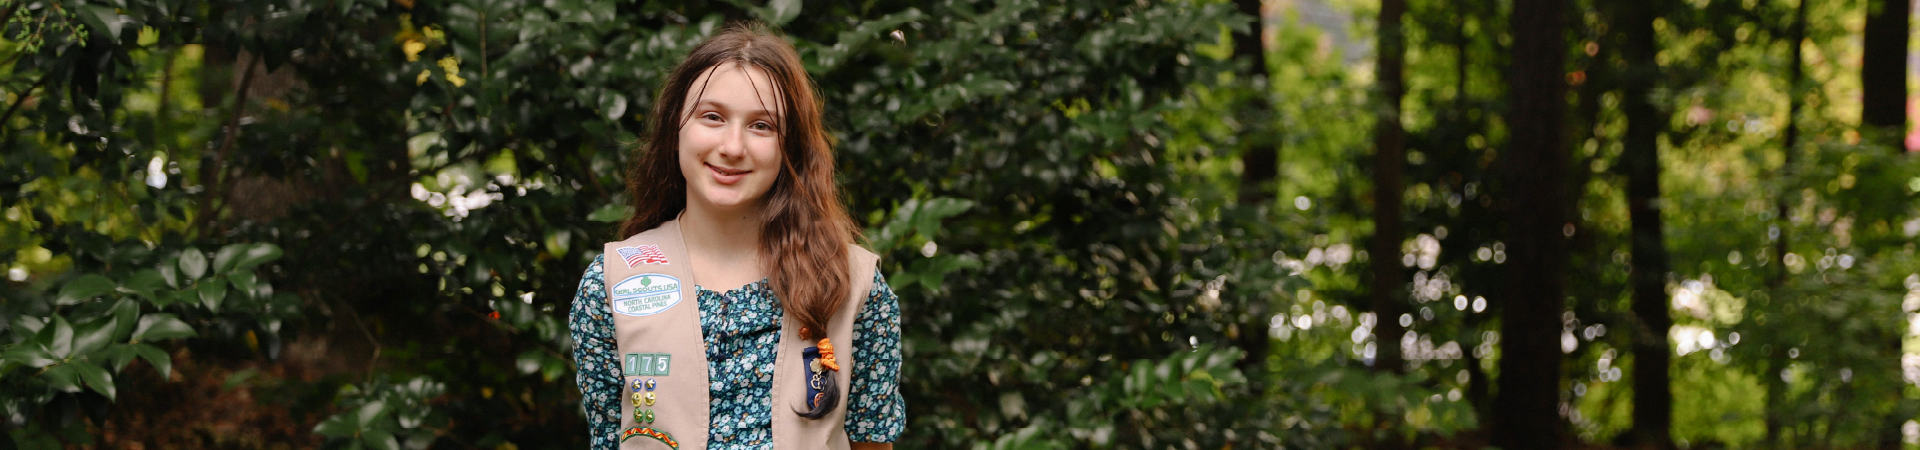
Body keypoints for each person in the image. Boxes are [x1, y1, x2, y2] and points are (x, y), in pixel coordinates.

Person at [568, 23, 903, 450]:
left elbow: (871, 443)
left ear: (790, 148)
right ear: (677, 126)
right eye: (712, 116)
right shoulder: (610, 285)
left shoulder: (854, 285)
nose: (732, 146)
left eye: (762, 126)